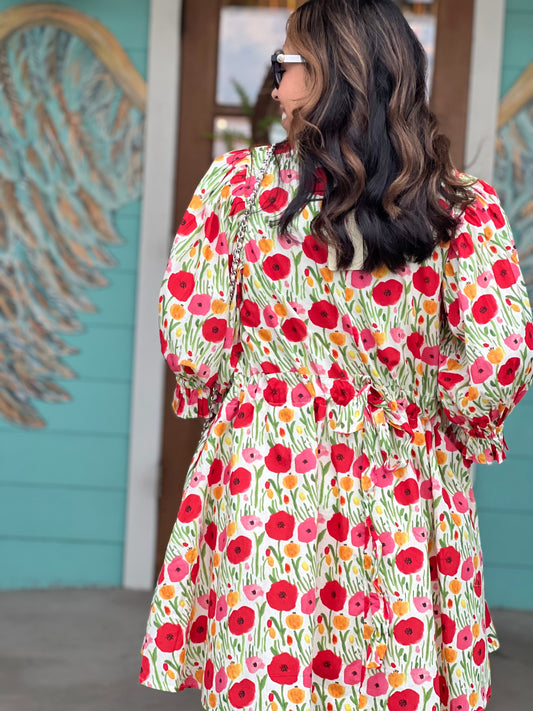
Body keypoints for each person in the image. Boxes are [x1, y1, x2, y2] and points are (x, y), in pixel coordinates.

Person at [139, 1, 533, 709]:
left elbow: (195, 337)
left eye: (285, 65)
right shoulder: (460, 208)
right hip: (402, 487)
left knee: (267, 671)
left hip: (267, 481)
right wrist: (431, 412)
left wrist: (254, 397)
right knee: (390, 678)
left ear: (329, 76)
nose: (276, 87)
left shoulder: (235, 190)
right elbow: (498, 359)